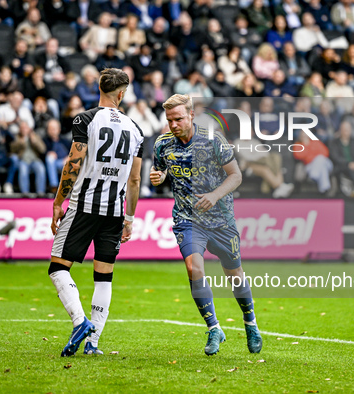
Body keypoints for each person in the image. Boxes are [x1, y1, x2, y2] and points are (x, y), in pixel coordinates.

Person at [150, 94, 262, 356]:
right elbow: (161, 171)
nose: (173, 124)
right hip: (188, 219)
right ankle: (214, 328)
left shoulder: (213, 139)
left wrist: (214, 195)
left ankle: (251, 323)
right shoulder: (162, 144)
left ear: (191, 115)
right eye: (169, 120)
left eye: (178, 119)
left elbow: (236, 175)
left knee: (234, 275)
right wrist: (159, 177)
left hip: (221, 219)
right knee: (193, 267)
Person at [49, 68, 144, 357]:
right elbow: (135, 180)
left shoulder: (85, 119)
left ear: (100, 89)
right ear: (121, 93)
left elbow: (73, 163)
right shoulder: (136, 129)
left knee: (58, 267)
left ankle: (80, 323)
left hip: (84, 205)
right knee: (104, 276)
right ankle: (93, 344)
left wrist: (57, 201)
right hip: (115, 211)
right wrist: (129, 218)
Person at [10, 121, 47, 196]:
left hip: (35, 160)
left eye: (25, 128)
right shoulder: (17, 137)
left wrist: (34, 141)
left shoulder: (35, 136)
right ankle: (25, 192)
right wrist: (20, 142)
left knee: (41, 168)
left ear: (29, 129)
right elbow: (12, 149)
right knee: (23, 169)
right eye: (22, 128)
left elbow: (43, 149)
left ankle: (40, 192)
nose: (24, 130)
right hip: (23, 160)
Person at [44, 119, 71, 195]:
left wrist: (68, 157)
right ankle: (54, 186)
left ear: (59, 129)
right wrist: (48, 153)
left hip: (64, 161)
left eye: (54, 129)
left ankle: (68, 189)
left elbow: (72, 152)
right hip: (52, 163)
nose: (53, 131)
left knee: (71, 162)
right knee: (50, 158)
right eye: (51, 129)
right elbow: (42, 152)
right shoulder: (45, 141)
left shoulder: (65, 140)